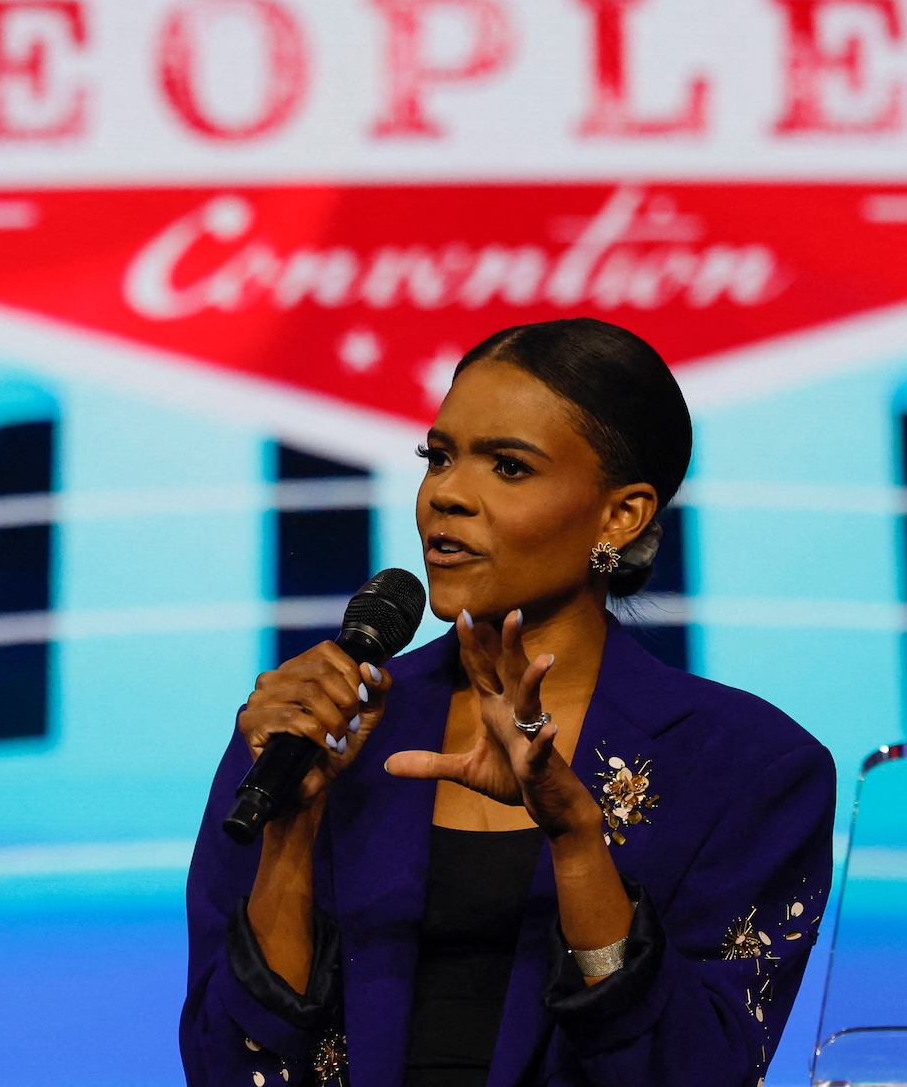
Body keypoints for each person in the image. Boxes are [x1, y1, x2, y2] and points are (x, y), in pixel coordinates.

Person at [181, 318, 835, 1087]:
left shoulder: (749, 767)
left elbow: (700, 1071)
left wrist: (575, 839)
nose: (447, 495)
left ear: (619, 516)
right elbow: (227, 1068)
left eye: (509, 468)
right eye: (440, 457)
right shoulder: (314, 732)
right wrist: (292, 830)